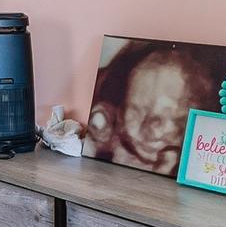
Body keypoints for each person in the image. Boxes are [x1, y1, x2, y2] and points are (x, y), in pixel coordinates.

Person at [87, 44, 218, 175]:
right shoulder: (116, 140)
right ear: (121, 110)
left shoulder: (196, 162)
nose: (149, 132)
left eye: (173, 116)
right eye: (136, 111)